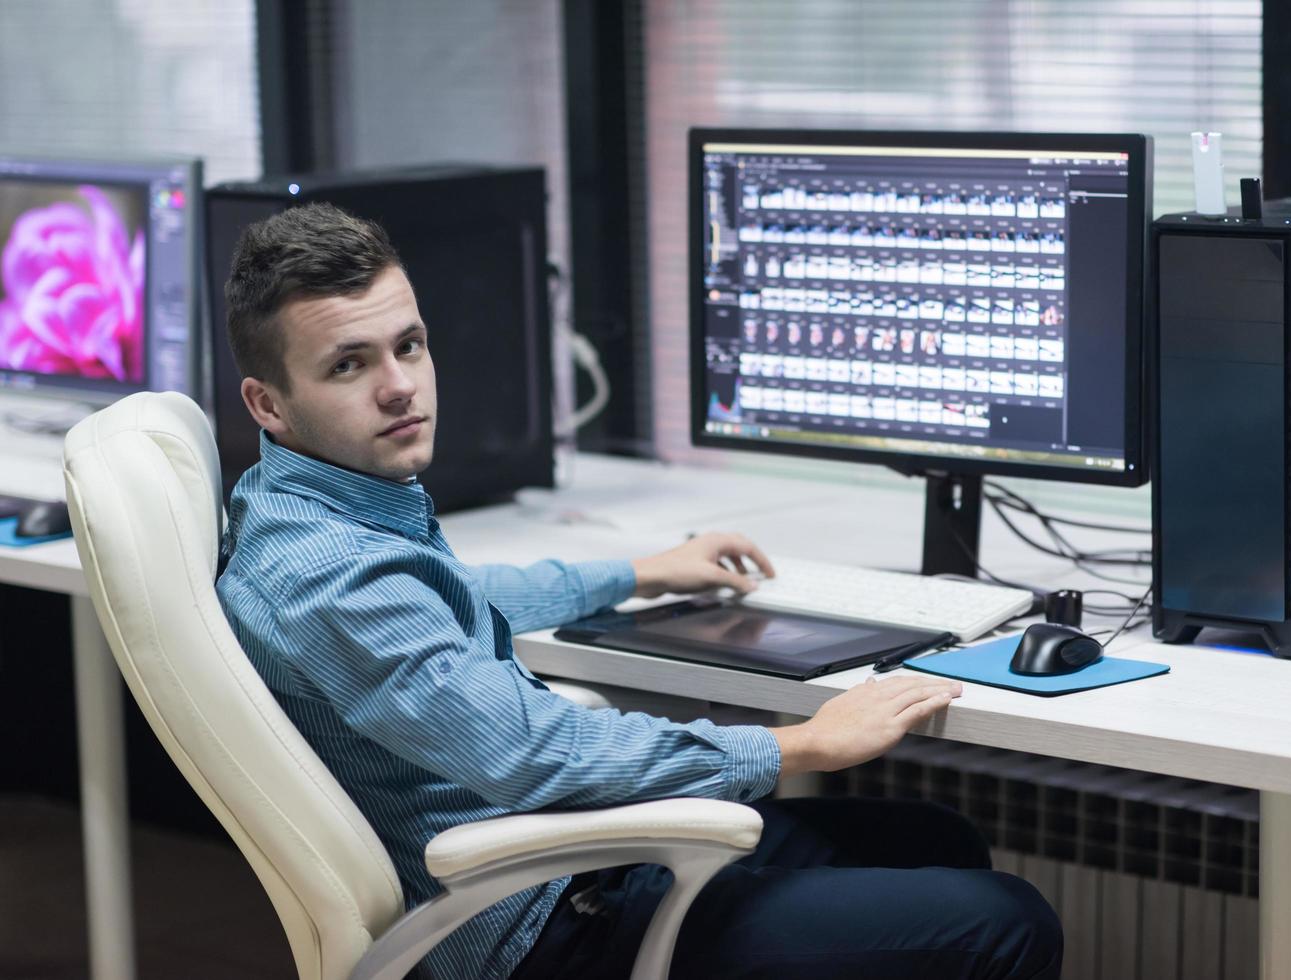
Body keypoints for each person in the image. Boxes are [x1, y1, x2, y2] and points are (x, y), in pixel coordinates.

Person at [215, 202, 1061, 980]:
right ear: (270, 403)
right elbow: (539, 755)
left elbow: (451, 599)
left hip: (559, 860)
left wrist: (637, 572)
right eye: (347, 365)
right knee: (1003, 922)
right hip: (546, 923)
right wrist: (797, 746)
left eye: (408, 345)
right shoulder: (331, 576)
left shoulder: (300, 509)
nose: (399, 384)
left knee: (935, 840)